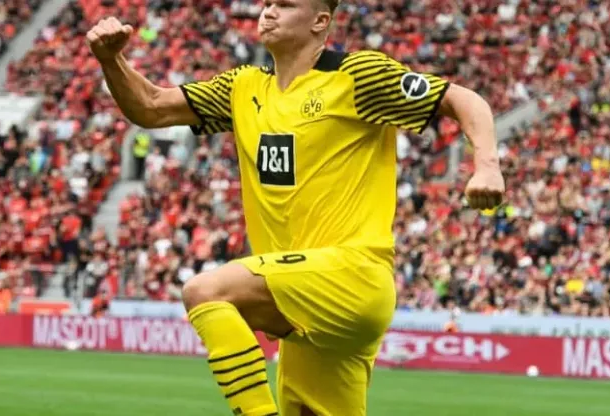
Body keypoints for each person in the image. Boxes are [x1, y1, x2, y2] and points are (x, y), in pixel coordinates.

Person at [86, 0, 505, 414]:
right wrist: (111, 60)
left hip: (352, 277)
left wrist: (486, 167)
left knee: (207, 292)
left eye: (284, 5)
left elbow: (464, 100)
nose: (268, 12)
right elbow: (151, 107)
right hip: (302, 294)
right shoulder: (242, 87)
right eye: (267, 3)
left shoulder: (356, 76)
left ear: (320, 21)